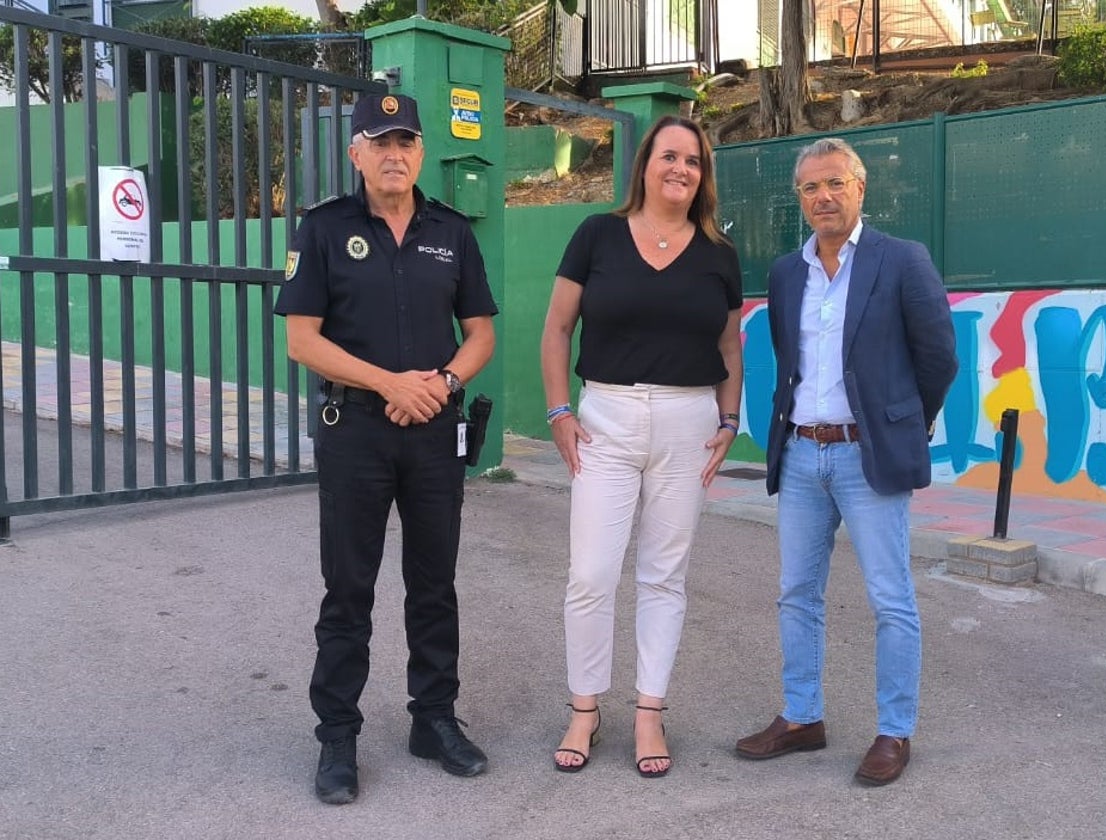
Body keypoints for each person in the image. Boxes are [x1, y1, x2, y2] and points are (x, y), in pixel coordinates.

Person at [273, 92, 498, 805]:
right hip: (356, 433)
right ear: (356, 154)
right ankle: (338, 735)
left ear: (422, 151)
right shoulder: (324, 229)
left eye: (405, 141)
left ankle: (433, 721)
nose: (394, 153)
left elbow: (483, 332)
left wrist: (442, 382)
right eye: (379, 141)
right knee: (349, 590)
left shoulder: (452, 233)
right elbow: (301, 339)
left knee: (435, 585)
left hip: (433, 430)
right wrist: (390, 384)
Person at [734, 138, 957, 786]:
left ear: (860, 189)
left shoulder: (901, 260)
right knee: (796, 594)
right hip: (802, 453)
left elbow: (937, 356)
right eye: (810, 187)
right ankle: (802, 717)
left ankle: (894, 731)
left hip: (868, 457)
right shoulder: (786, 273)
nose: (823, 197)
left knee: (891, 598)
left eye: (835, 183)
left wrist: (900, 423)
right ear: (800, 198)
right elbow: (788, 361)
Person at [540, 115, 744, 778]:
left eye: (693, 161)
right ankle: (585, 709)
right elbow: (557, 328)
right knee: (591, 573)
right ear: (645, 165)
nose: (681, 169)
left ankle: (650, 712)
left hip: (689, 420)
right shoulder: (597, 235)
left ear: (702, 175)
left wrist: (728, 419)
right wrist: (559, 411)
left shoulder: (718, 252)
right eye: (669, 157)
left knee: (664, 574)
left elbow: (729, 345)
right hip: (606, 414)